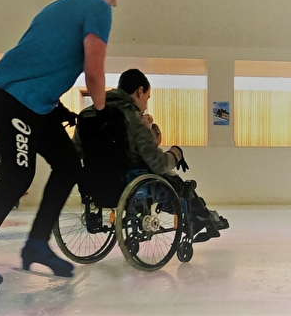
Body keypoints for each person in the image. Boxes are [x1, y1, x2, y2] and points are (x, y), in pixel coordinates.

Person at [0, 0, 118, 291]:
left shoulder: (59, 7)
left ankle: (37, 244)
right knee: (18, 176)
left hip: (34, 101)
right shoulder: (98, 6)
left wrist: (60, 110)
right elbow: (93, 68)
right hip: (14, 96)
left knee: (68, 164)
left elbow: (40, 57)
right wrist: (101, 110)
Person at [74, 69, 229, 239]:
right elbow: (158, 163)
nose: (146, 105)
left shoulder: (88, 114)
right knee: (178, 184)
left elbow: (76, 151)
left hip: (94, 186)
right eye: (147, 98)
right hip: (128, 183)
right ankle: (202, 217)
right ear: (140, 91)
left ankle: (204, 215)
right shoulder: (131, 116)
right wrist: (176, 154)